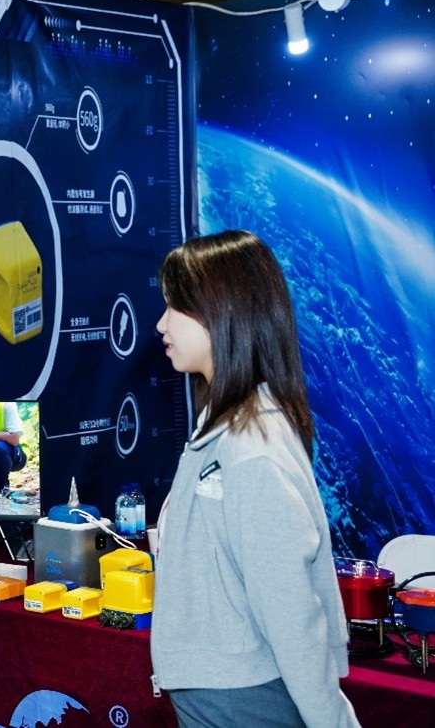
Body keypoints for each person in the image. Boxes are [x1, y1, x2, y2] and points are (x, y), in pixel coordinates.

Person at [150, 229, 359, 728]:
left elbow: (289, 608)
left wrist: (332, 719)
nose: (161, 323)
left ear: (222, 313)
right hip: (225, 694)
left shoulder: (250, 449)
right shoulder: (223, 426)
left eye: (175, 307)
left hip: (244, 698)